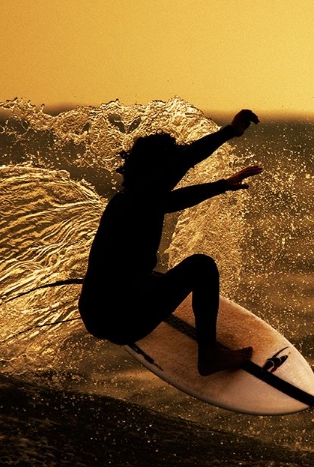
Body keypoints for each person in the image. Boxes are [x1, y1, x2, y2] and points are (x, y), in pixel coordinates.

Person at [78, 109, 262, 376]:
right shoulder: (144, 196)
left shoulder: (127, 201)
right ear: (158, 168)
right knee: (202, 267)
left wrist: (221, 185)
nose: (175, 169)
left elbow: (174, 200)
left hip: (94, 313)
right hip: (122, 322)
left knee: (149, 275)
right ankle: (209, 355)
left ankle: (138, 301)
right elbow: (187, 160)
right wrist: (230, 132)